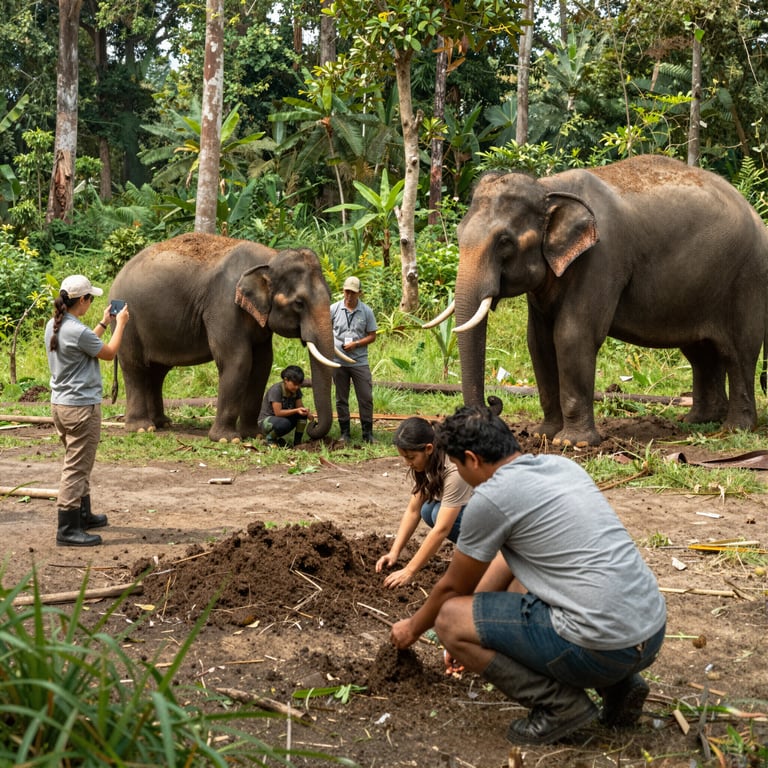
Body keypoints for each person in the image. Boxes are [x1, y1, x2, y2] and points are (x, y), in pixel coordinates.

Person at [389, 405, 667, 746]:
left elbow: (451, 588)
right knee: (526, 593)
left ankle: (559, 705)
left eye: (458, 465)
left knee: (447, 619)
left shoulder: (491, 498)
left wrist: (414, 630)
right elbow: (506, 564)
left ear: (472, 460)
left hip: (602, 647)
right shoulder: (561, 467)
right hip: (649, 632)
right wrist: (476, 624)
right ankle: (621, 686)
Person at [45, 275, 130, 547]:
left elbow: (87, 345)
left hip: (61, 405)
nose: (91, 303)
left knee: (79, 461)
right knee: (76, 467)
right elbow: (108, 353)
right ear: (81, 300)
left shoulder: (55, 325)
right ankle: (67, 528)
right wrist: (121, 325)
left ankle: (83, 515)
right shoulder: (76, 330)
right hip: (81, 407)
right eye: (90, 298)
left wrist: (105, 322)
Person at [376, 417, 473, 588]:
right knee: (427, 509)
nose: (408, 463)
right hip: (476, 510)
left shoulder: (454, 467)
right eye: (404, 457)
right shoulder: (431, 459)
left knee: (436, 514)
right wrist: (394, 552)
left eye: (411, 457)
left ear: (428, 448)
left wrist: (410, 571)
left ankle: (486, 555)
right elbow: (413, 510)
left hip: (499, 520)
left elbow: (442, 529)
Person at [330, 276, 378, 443]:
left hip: (359, 361)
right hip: (338, 361)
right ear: (343, 291)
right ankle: (345, 433)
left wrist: (357, 344)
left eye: (353, 292)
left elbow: (372, 336)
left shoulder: (366, 311)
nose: (349, 296)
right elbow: (324, 330)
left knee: (365, 397)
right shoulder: (334, 309)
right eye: (346, 291)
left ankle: (368, 434)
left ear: (360, 293)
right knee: (341, 398)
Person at [258, 365, 312, 446]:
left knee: (302, 415)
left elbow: (299, 406)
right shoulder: (276, 390)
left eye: (299, 385)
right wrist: (296, 410)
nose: (297, 387)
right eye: (294, 384)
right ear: (286, 380)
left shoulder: (295, 390)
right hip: (267, 421)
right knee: (284, 423)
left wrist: (306, 413)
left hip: (282, 419)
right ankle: (270, 439)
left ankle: (297, 442)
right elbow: (278, 413)